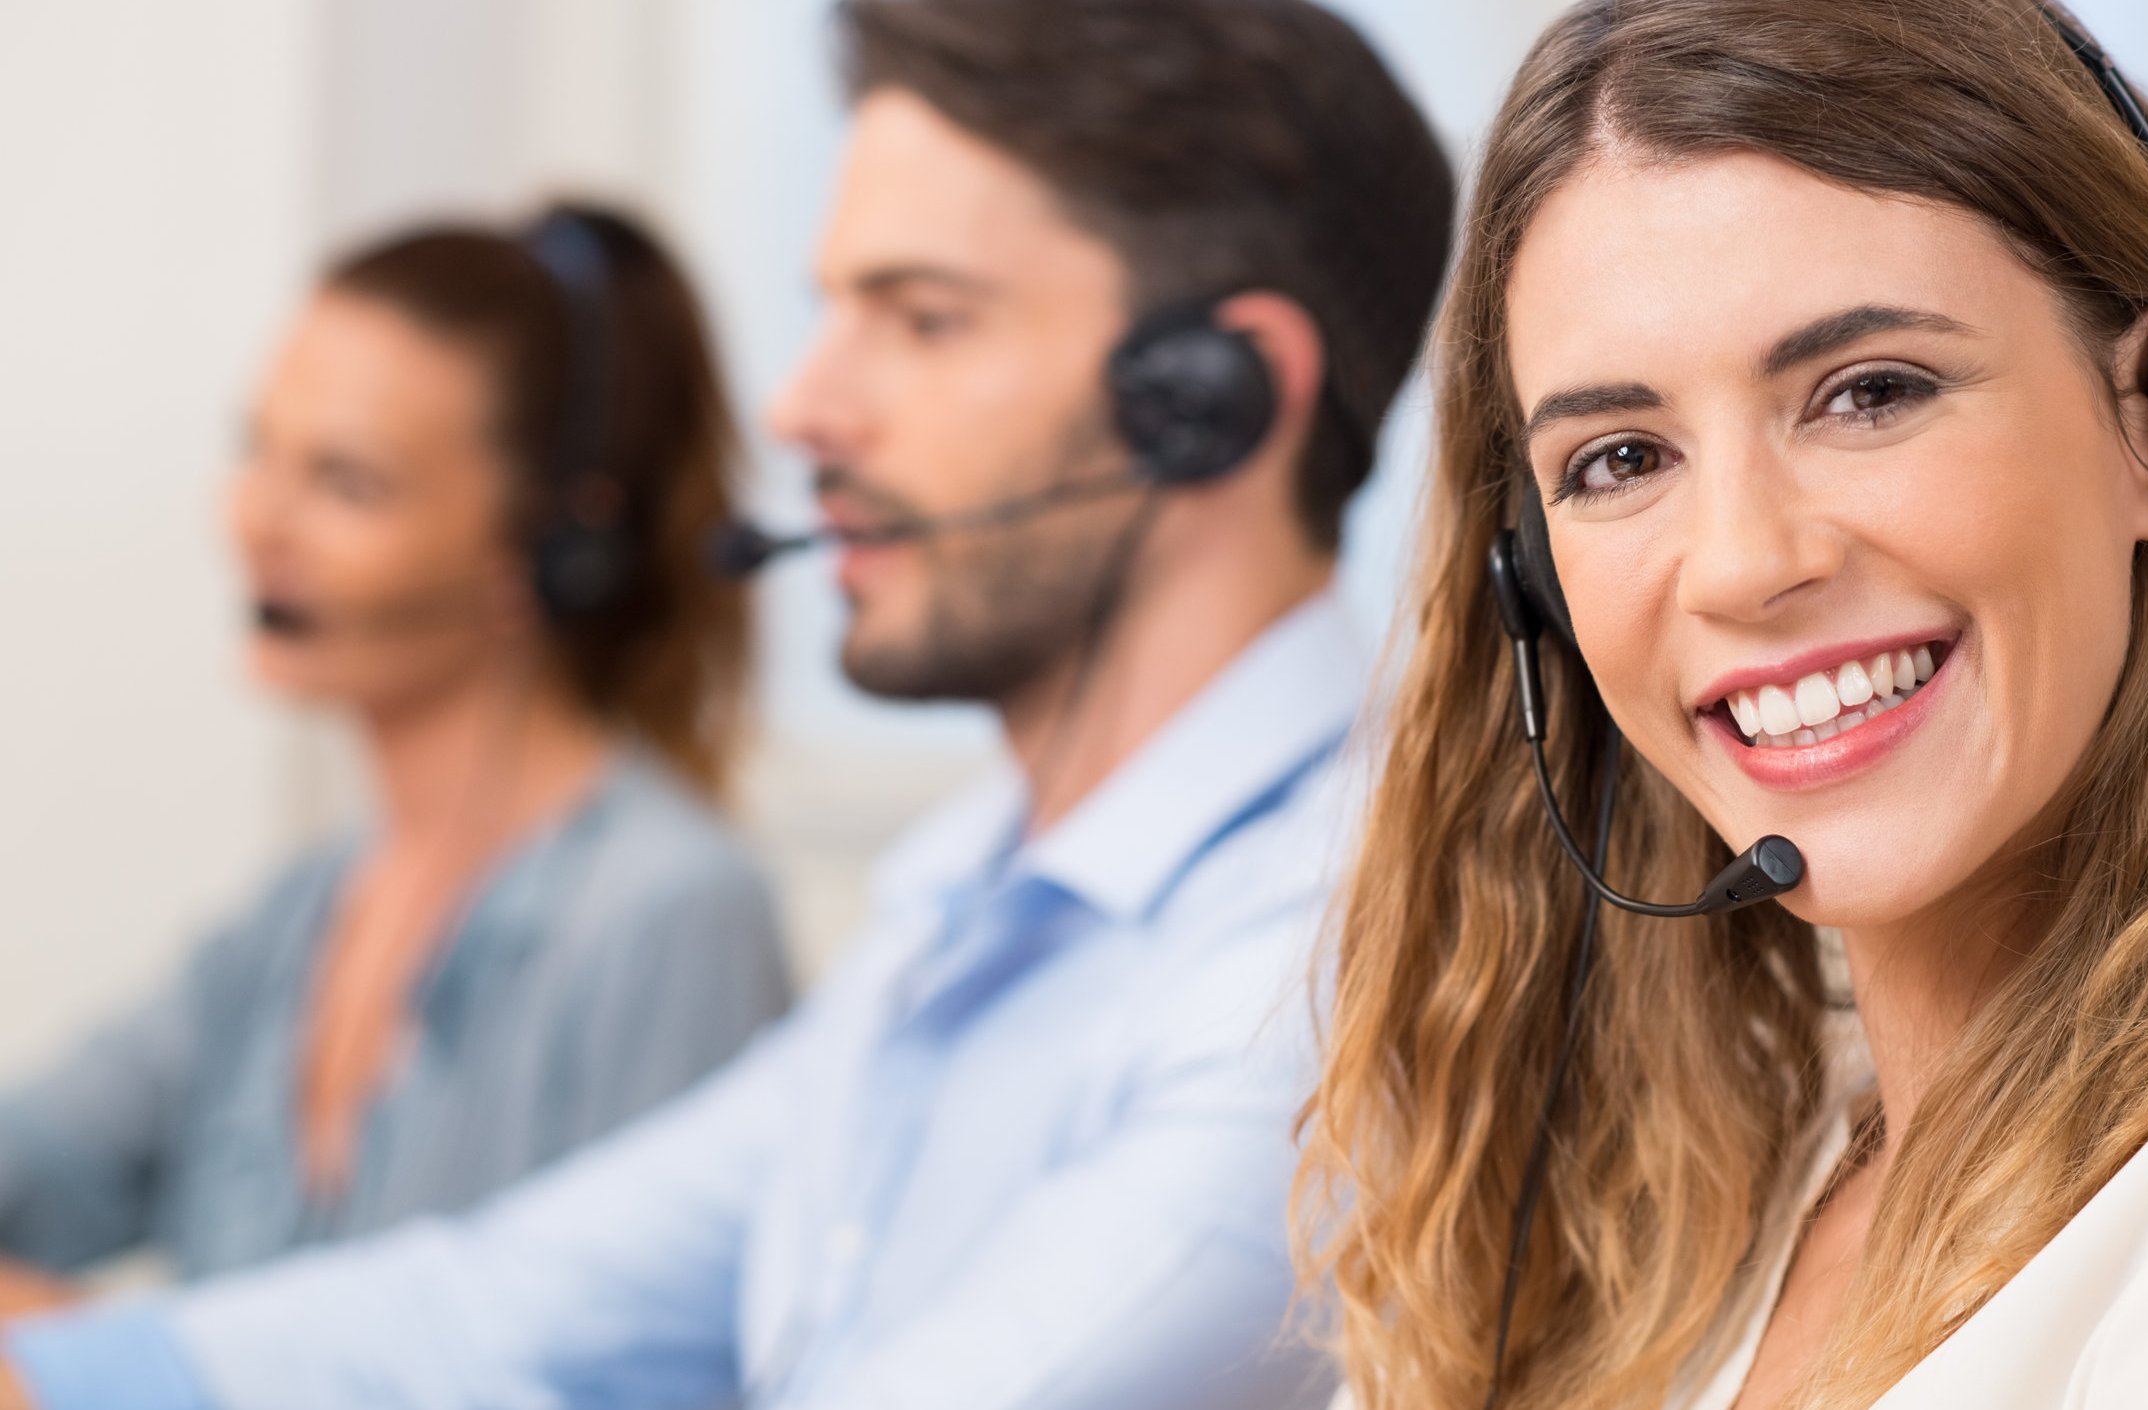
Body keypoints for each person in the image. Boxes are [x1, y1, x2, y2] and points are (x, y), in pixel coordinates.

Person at [0, 0, 1455, 1406]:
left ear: (1211, 395)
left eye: (924, 320)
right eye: (833, 311)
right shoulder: (955, 907)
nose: (802, 408)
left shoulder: (1334, 965)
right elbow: (499, 1313)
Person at [1301, 2, 2148, 1408]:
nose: (1747, 562)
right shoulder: (1677, 1215)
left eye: (1867, 391)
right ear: (1534, 587)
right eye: (1620, 457)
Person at [0, 205, 790, 1307]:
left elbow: (634, 1360)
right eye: (258, 452)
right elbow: (32, 1163)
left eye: (346, 482)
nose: (256, 521)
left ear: (552, 547)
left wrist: (113, 1368)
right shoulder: (303, 916)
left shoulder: (668, 918)